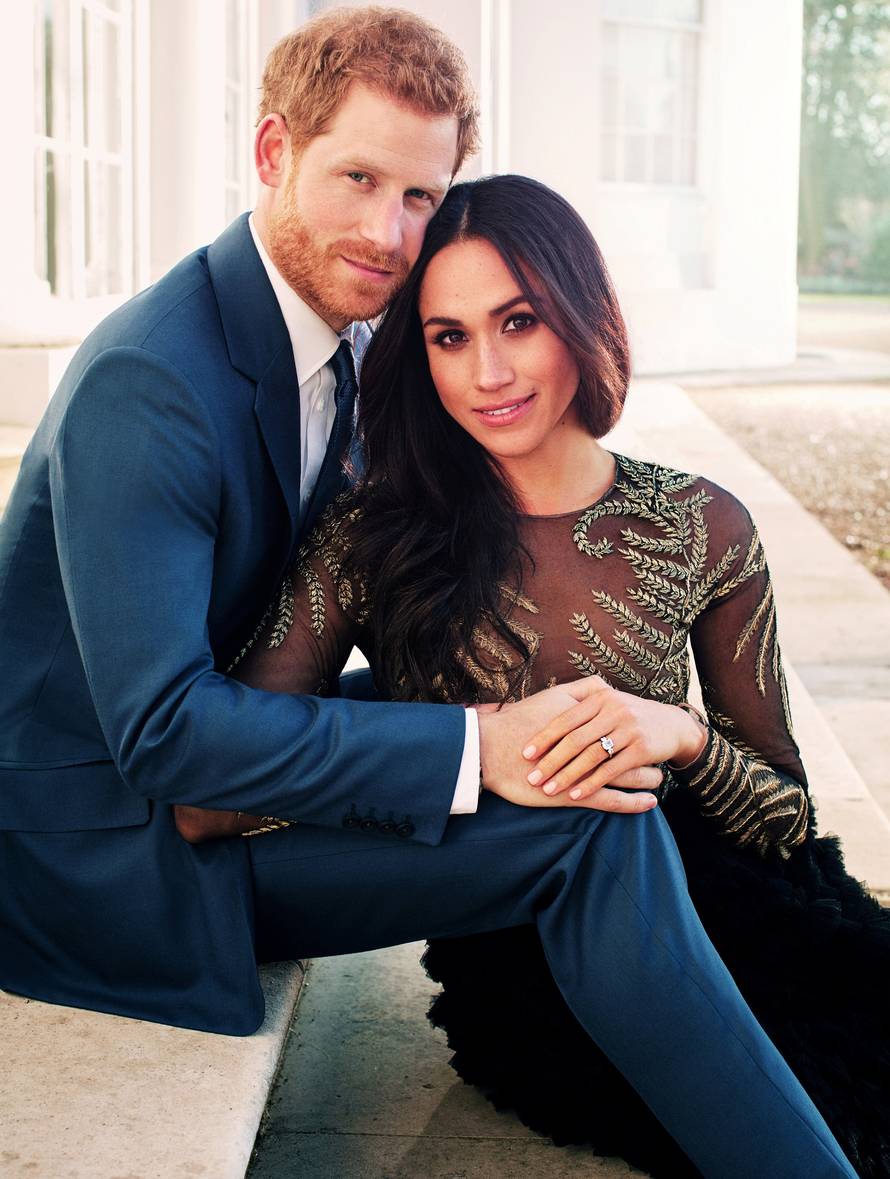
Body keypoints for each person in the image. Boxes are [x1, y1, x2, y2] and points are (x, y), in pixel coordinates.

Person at [222, 173, 886, 1178]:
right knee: (820, 1125)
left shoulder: (699, 525)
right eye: (448, 337)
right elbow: (239, 760)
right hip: (529, 956)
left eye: (518, 321)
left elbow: (784, 812)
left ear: (579, 317)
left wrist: (683, 736)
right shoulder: (374, 538)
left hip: (744, 906)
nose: (487, 371)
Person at [0, 7, 646, 1037]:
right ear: (273, 151)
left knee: (573, 732)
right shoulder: (150, 381)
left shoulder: (339, 336)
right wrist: (474, 747)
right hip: (103, 854)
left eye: (418, 196)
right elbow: (164, 733)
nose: (388, 234)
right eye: (357, 178)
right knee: (592, 827)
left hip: (214, 767)